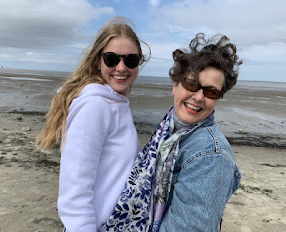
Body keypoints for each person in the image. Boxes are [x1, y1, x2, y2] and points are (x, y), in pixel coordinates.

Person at [100, 33, 242, 232]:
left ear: (218, 98)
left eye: (211, 92)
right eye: (191, 84)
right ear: (175, 85)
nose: (198, 97)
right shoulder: (167, 131)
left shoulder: (212, 157)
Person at [36, 17, 150, 231]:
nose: (121, 67)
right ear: (98, 61)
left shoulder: (115, 102)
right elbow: (74, 197)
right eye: (111, 59)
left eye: (131, 60)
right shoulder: (95, 106)